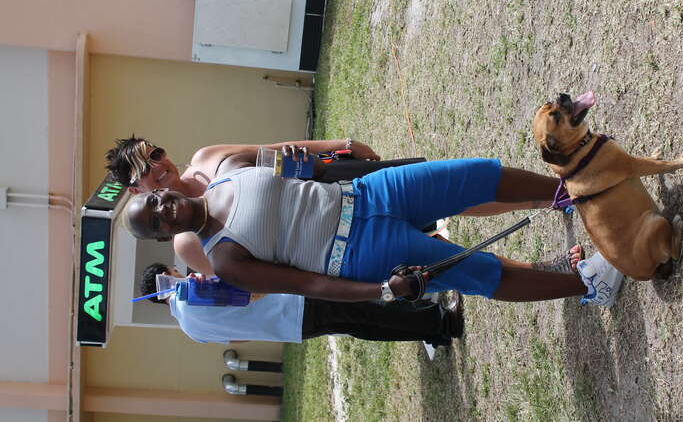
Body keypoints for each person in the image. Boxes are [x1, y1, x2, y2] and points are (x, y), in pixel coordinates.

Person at [125, 157, 619, 304]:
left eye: (153, 203)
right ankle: (590, 284)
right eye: (154, 222)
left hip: (368, 193)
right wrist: (382, 291)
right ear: (159, 237)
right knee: (477, 271)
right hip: (359, 252)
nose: (162, 209)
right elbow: (309, 285)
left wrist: (324, 158)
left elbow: (294, 163)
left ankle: (576, 188)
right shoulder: (227, 260)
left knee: (474, 176)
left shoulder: (229, 171)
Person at [106, 136, 557, 274]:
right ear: (138, 191)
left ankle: (546, 199)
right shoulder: (187, 243)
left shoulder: (209, 158)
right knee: (448, 258)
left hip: (335, 183)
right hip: (338, 245)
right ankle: (538, 266)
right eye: (145, 170)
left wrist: (339, 146)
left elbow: (278, 148)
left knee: (449, 197)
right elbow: (259, 278)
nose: (158, 166)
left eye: (156, 153)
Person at [140, 263, 464, 345]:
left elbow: (238, 337)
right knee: (367, 310)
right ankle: (440, 322)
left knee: (360, 325)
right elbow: (250, 292)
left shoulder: (189, 329)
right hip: (294, 303)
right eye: (174, 274)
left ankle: (433, 328)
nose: (182, 275)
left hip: (289, 328)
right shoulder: (193, 291)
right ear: (167, 281)